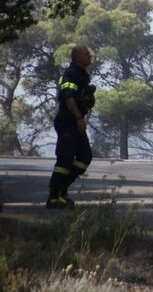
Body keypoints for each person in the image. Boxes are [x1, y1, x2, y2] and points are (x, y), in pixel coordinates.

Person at [46, 45, 94, 208]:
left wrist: (87, 102)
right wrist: (79, 117)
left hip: (75, 120)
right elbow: (68, 97)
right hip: (68, 120)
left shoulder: (82, 75)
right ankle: (53, 197)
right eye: (86, 54)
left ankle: (62, 190)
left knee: (84, 156)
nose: (90, 56)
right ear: (76, 57)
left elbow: (79, 97)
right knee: (65, 159)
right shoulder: (70, 74)